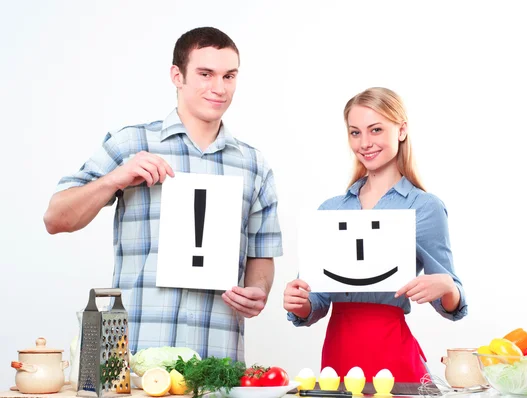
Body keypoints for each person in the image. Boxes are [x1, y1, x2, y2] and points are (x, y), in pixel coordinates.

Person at [43, 27, 283, 362]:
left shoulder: (254, 165)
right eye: (205, 74)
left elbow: (262, 254)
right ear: (177, 76)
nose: (219, 87)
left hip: (216, 361)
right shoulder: (132, 144)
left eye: (229, 76)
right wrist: (116, 178)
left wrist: (258, 292)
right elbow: (56, 218)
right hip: (134, 359)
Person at [283, 87, 467, 383]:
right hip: (337, 355)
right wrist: (299, 301)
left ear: (402, 130)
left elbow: (453, 306)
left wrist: (447, 286)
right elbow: (315, 303)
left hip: (393, 356)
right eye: (355, 133)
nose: (365, 143)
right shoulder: (330, 211)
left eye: (376, 130)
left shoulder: (424, 207)